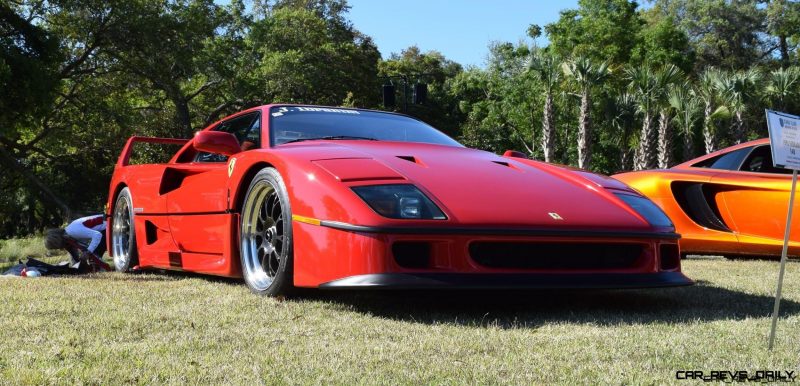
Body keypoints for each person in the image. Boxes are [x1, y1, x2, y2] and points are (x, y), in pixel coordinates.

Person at [44, 214, 111, 271]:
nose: (58, 248)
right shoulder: (68, 234)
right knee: (92, 252)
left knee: (94, 253)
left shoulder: (73, 231)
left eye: (55, 247)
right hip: (106, 227)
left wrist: (88, 252)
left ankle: (103, 269)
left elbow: (97, 235)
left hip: (109, 225)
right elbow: (76, 251)